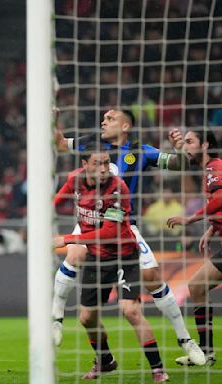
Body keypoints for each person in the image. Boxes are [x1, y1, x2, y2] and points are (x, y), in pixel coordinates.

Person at [52, 108, 205, 365]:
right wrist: (53, 118)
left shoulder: (140, 151)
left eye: (111, 119)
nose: (104, 121)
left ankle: (186, 340)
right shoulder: (92, 145)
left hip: (124, 226)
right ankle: (56, 319)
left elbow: (179, 164)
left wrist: (178, 149)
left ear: (125, 126)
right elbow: (59, 143)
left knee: (152, 277)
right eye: (104, 118)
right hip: (90, 222)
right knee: (75, 252)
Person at [53, 142, 169, 382]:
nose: (105, 168)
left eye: (107, 162)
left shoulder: (117, 188)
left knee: (130, 311)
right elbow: (56, 200)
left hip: (124, 256)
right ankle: (105, 361)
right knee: (86, 318)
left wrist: (66, 239)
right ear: (85, 166)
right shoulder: (75, 180)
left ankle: (157, 368)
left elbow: (109, 233)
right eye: (98, 163)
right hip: (97, 259)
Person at [167, 129, 222, 366]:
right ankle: (207, 351)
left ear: (205, 145)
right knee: (197, 287)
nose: (186, 146)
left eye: (190, 142)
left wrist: (191, 219)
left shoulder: (214, 168)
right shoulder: (211, 169)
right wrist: (212, 228)